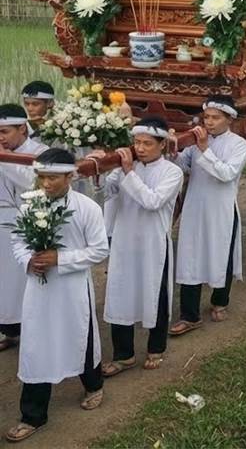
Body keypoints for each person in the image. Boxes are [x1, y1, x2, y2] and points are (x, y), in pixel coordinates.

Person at [5, 148, 108, 443]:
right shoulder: (31, 205)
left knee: (81, 335)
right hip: (38, 290)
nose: (46, 184)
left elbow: (100, 250)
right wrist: (29, 261)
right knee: (36, 346)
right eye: (42, 177)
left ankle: (93, 384)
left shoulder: (87, 208)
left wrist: (60, 259)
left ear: (70, 176)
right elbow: (18, 241)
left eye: (52, 178)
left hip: (73, 288)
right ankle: (33, 415)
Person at [101, 117, 183, 375]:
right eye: (137, 142)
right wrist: (104, 166)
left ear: (162, 145)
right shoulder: (127, 166)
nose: (141, 148)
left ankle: (156, 347)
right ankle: (123, 355)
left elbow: (152, 201)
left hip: (153, 243)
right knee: (120, 292)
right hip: (124, 240)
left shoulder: (172, 172)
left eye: (147, 143)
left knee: (155, 292)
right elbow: (108, 192)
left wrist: (129, 173)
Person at [170, 96, 246, 334]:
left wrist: (205, 148)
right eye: (206, 117)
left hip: (221, 209)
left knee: (221, 253)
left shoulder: (239, 145)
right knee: (190, 256)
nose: (209, 122)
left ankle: (220, 300)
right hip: (195, 207)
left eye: (216, 118)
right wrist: (172, 151)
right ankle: (189, 315)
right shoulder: (195, 142)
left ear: (229, 119)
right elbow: (182, 165)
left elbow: (226, 174)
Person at [0, 104, 47, 353]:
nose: (0, 138)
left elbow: (33, 183)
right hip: (1, 221)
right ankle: (8, 329)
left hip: (30, 222)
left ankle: (33, 331)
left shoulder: (41, 152)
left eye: (4, 131)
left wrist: (4, 159)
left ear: (22, 128)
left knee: (26, 280)